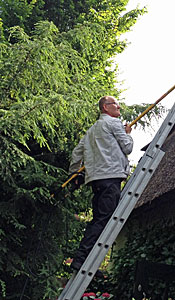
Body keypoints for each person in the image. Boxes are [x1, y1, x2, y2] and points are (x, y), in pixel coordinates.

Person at [68, 95, 133, 273]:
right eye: (115, 104)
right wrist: (127, 134)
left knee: (98, 219)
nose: (119, 108)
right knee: (103, 220)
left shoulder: (91, 131)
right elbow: (127, 148)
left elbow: (76, 154)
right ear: (105, 107)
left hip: (96, 181)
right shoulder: (114, 124)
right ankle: (81, 259)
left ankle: (82, 258)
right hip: (111, 177)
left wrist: (75, 174)